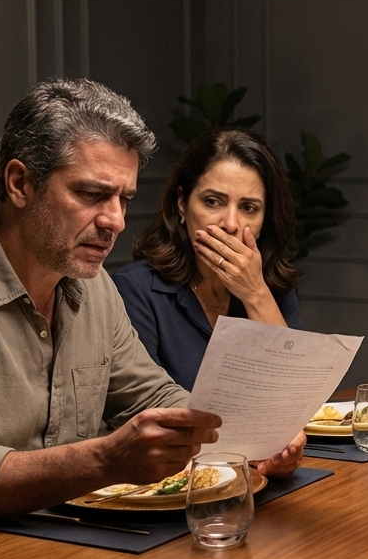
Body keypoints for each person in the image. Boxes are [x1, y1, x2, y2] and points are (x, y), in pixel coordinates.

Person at [0, 80, 303, 552]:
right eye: (92, 195)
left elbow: (155, 396)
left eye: (124, 199)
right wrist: (104, 460)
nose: (115, 219)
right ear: (20, 183)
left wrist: (250, 435)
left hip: (38, 550)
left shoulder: (92, 288)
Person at [113, 128, 301, 390]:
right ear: (182, 204)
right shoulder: (135, 289)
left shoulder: (272, 287)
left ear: (264, 220)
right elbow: (144, 404)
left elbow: (293, 394)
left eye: (249, 208)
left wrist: (255, 294)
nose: (231, 224)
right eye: (213, 202)